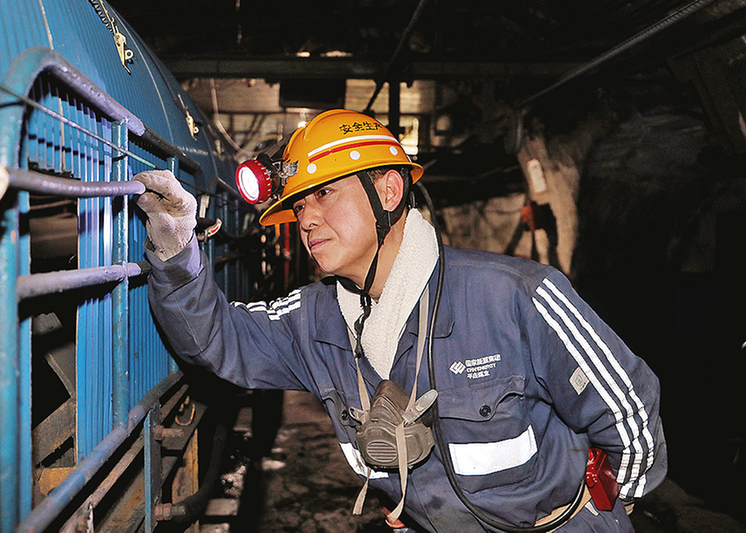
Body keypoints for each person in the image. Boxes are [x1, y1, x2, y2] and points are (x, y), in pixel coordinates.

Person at [133, 108, 666, 532]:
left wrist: (604, 514)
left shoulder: (514, 296)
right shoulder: (313, 321)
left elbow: (630, 412)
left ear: (388, 192)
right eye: (298, 207)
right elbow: (215, 340)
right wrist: (175, 251)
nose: (307, 218)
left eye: (324, 194)